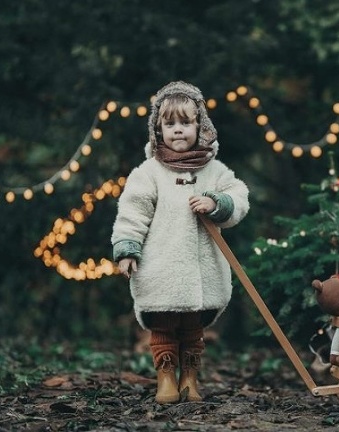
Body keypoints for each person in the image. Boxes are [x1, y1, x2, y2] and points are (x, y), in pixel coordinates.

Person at [111, 81, 249, 404]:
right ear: (157, 129)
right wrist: (127, 247)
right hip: (161, 267)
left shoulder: (214, 170)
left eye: (185, 123)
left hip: (202, 271)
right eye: (169, 124)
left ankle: (189, 377)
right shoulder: (149, 172)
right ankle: (165, 379)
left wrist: (217, 203)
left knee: (192, 328)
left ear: (200, 126)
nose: (177, 131)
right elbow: (133, 210)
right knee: (163, 325)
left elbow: (238, 195)